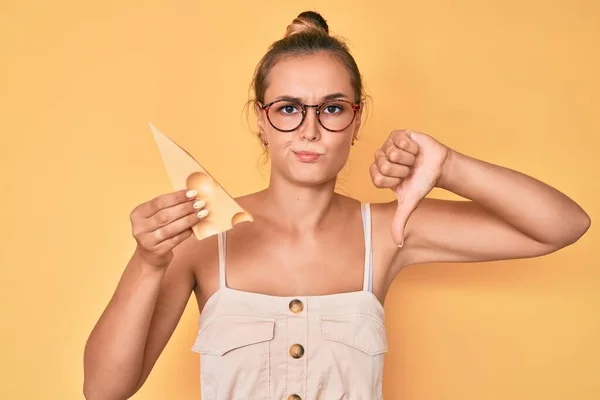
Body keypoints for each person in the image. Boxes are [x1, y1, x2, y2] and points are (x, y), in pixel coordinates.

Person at [83, 10, 591, 400]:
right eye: (287, 109)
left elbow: (563, 225)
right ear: (259, 119)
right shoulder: (200, 236)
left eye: (331, 108)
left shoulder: (391, 230)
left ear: (356, 117)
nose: (309, 129)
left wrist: (450, 166)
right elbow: (104, 390)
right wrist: (147, 262)